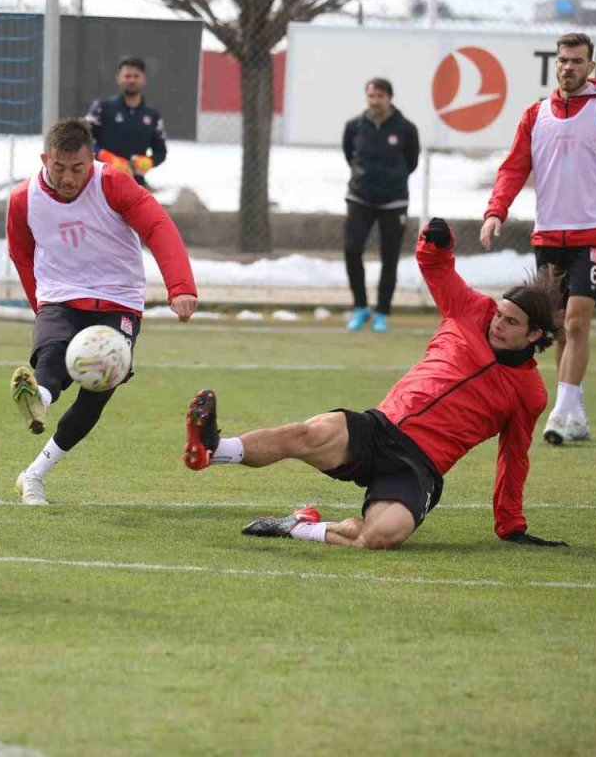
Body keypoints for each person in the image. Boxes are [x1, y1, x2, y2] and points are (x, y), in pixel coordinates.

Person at [182, 218, 568, 551]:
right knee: (304, 434)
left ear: (535, 334)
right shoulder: (471, 310)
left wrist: (511, 525)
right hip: (381, 426)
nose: (497, 324)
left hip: (419, 466)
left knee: (381, 536)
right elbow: (438, 268)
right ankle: (213, 448)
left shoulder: (529, 393)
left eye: (511, 323)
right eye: (500, 314)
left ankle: (300, 526)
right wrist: (437, 241)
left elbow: (514, 457)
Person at [480, 31, 596, 445]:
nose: (568, 67)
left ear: (591, 67)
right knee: (559, 327)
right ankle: (575, 413)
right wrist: (496, 211)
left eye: (577, 61)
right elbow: (513, 168)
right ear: (556, 63)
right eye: (563, 60)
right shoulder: (535, 114)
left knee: (578, 321)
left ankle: (561, 415)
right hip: (549, 235)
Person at [7, 117, 198, 505]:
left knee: (96, 390)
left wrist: (180, 287)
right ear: (45, 158)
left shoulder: (112, 182)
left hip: (118, 301)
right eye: (58, 168)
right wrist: (40, 307)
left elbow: (157, 226)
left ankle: (34, 474)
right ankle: (39, 397)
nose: (68, 178)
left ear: (90, 159)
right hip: (60, 295)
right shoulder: (23, 199)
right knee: (53, 350)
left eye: (78, 168)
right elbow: (21, 254)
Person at [341, 77, 420, 333]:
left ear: (389, 98)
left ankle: (382, 313)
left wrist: (391, 180)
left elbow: (411, 162)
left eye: (380, 97)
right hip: (359, 198)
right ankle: (360, 307)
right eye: (371, 97)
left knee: (390, 257)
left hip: (393, 202)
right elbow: (349, 155)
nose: (375, 102)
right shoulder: (354, 127)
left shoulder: (406, 128)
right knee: (352, 250)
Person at [85, 55, 167, 187]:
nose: (132, 80)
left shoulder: (153, 116)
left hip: (135, 184)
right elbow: (82, 140)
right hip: (100, 181)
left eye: (136, 76)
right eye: (127, 76)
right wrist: (104, 156)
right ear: (119, 78)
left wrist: (149, 161)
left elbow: (161, 152)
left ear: (144, 79)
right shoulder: (101, 108)